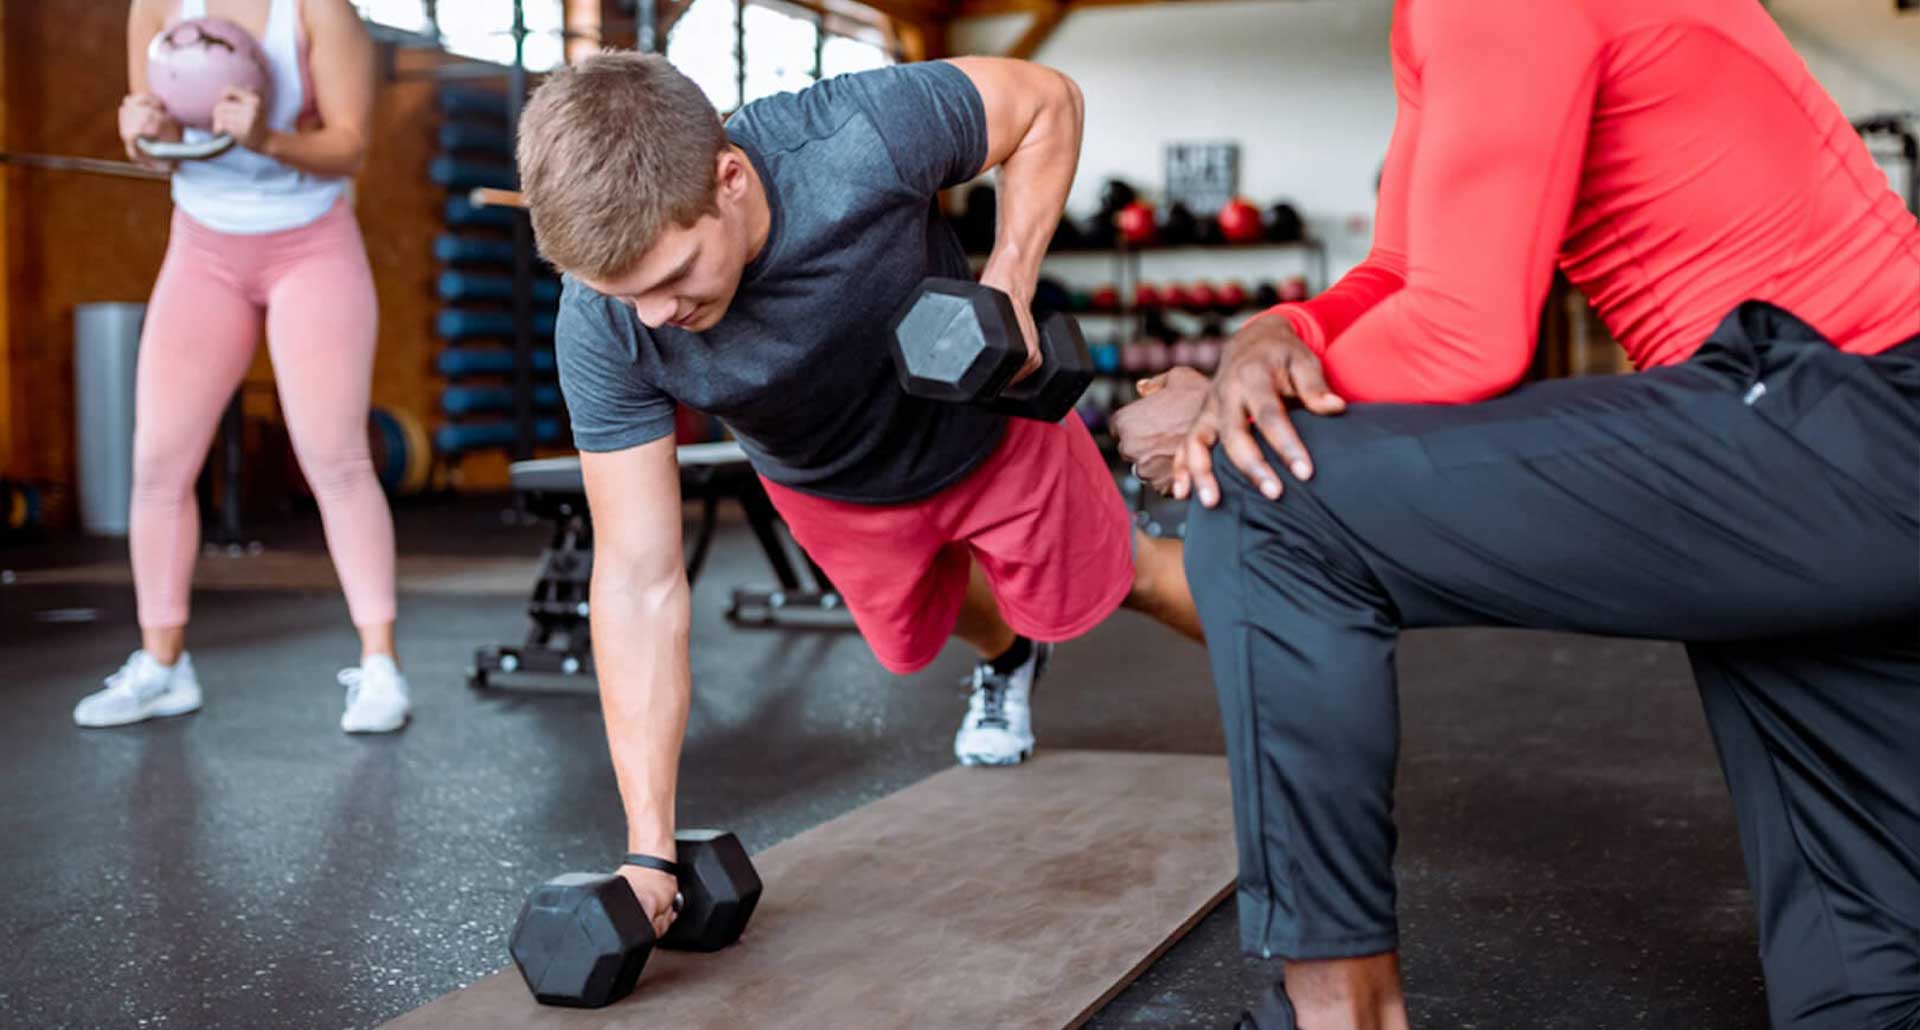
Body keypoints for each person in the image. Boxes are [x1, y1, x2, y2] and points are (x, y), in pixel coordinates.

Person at [1114, 1, 1920, 1027]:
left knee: (1272, 497)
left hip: (1841, 419)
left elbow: (1463, 337)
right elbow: (1401, 270)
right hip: (1837, 442)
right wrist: (1275, 334)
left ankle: (1336, 1017)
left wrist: (1215, 423)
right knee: (1863, 972)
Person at [515, 52, 1203, 934]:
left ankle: (1306, 710)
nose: (653, 317)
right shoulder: (603, 326)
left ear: (729, 179)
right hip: (834, 489)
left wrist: (1011, 279)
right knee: (939, 612)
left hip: (989, 428)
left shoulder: (857, 135)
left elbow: (1048, 103)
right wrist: (649, 850)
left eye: (671, 275)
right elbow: (639, 581)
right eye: (624, 295)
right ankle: (1009, 658)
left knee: (1128, 580)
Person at [75, 0, 410, 734]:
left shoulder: (321, 12)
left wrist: (265, 138)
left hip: (311, 244)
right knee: (159, 463)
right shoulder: (157, 8)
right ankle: (163, 668)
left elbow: (351, 146)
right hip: (203, 245)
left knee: (338, 459)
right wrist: (144, 136)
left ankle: (380, 668)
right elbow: (153, 136)